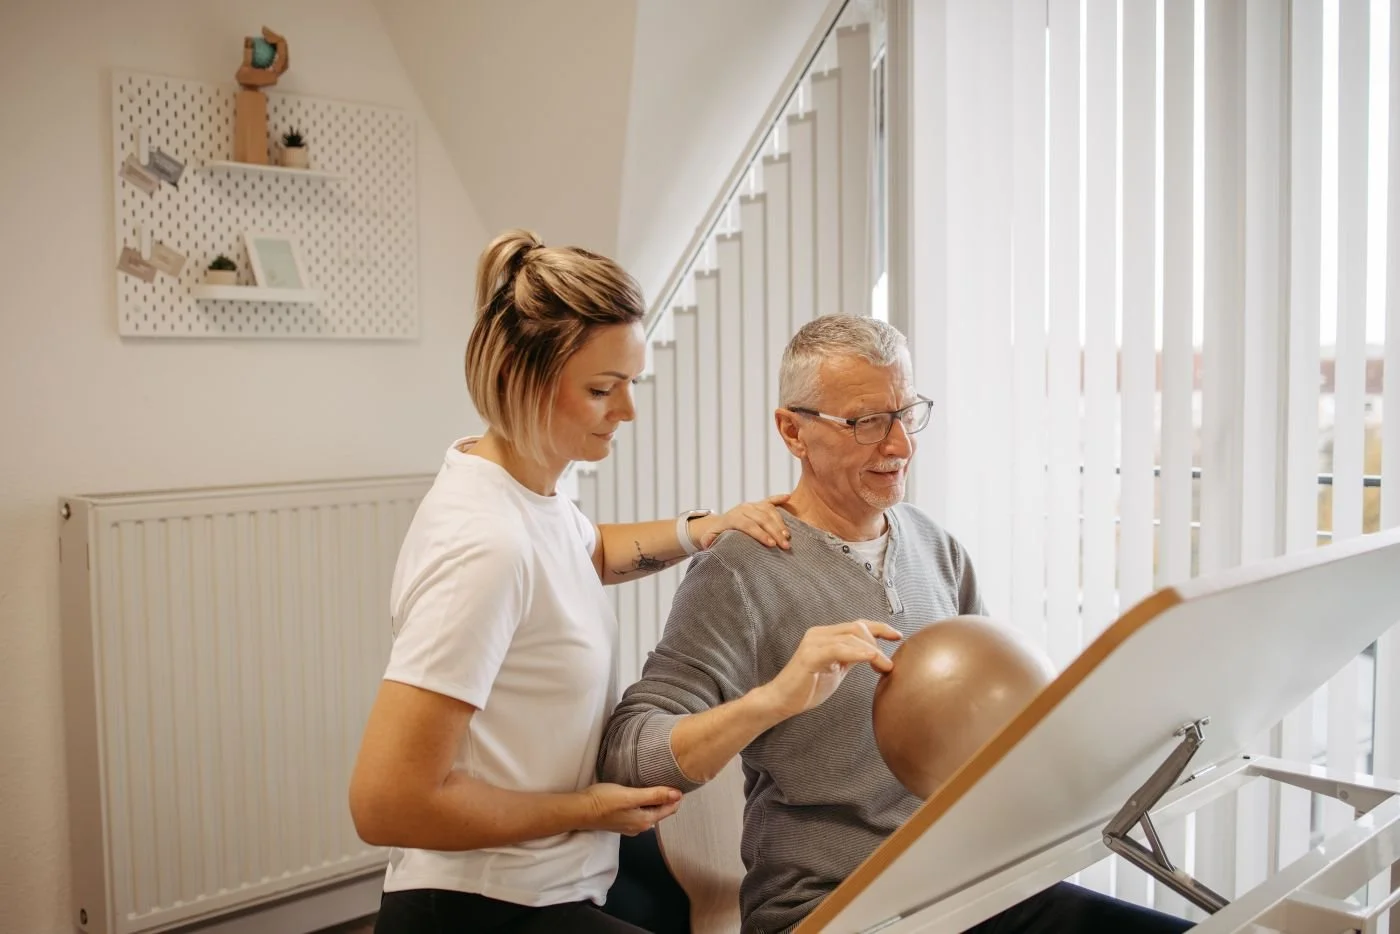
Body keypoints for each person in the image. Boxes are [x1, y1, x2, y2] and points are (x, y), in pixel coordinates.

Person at [597, 315, 1193, 934]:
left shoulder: (935, 546)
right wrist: (774, 699)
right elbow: (628, 754)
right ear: (792, 431)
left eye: (906, 414)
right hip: (834, 909)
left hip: (970, 888)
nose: (900, 445)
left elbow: (998, 730)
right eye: (866, 422)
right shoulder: (741, 570)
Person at [349, 228, 792, 934]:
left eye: (631, 384)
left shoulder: (524, 492)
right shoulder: (484, 548)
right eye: (600, 389)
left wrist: (701, 528)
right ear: (517, 378)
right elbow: (386, 803)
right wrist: (589, 807)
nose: (627, 411)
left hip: (561, 875)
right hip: (477, 907)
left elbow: (581, 555)